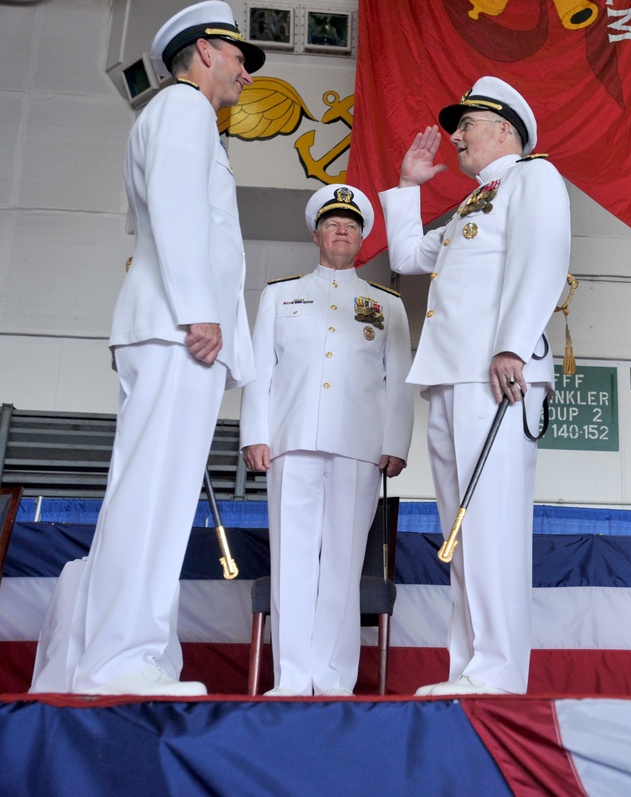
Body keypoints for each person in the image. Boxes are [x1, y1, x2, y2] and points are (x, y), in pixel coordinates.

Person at [29, 1, 264, 696]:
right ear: (205, 53)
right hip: (175, 328)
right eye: (240, 57)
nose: (248, 75)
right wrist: (200, 312)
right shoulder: (185, 110)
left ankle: (114, 654)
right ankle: (119, 658)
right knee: (153, 496)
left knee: (149, 493)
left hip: (164, 328)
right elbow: (177, 210)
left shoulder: (176, 116)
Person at [378, 76, 571, 696]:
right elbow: (408, 257)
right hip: (451, 376)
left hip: (497, 375)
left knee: (491, 523)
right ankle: (472, 667)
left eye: (468, 124)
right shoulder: (472, 204)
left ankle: (497, 670)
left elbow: (543, 256)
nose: (456, 136)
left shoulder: (532, 178)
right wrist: (409, 187)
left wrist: (512, 343)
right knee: (462, 529)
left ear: (506, 130)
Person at [239, 185, 413, 697]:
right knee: (290, 564)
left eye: (353, 225)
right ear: (315, 233)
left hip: (359, 447)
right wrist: (256, 433)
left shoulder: (385, 305)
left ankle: (335, 679)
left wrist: (396, 441)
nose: (343, 231)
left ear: (362, 239)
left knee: (342, 566)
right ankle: (292, 678)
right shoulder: (279, 294)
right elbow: (259, 372)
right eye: (333, 223)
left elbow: (397, 378)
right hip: (290, 443)